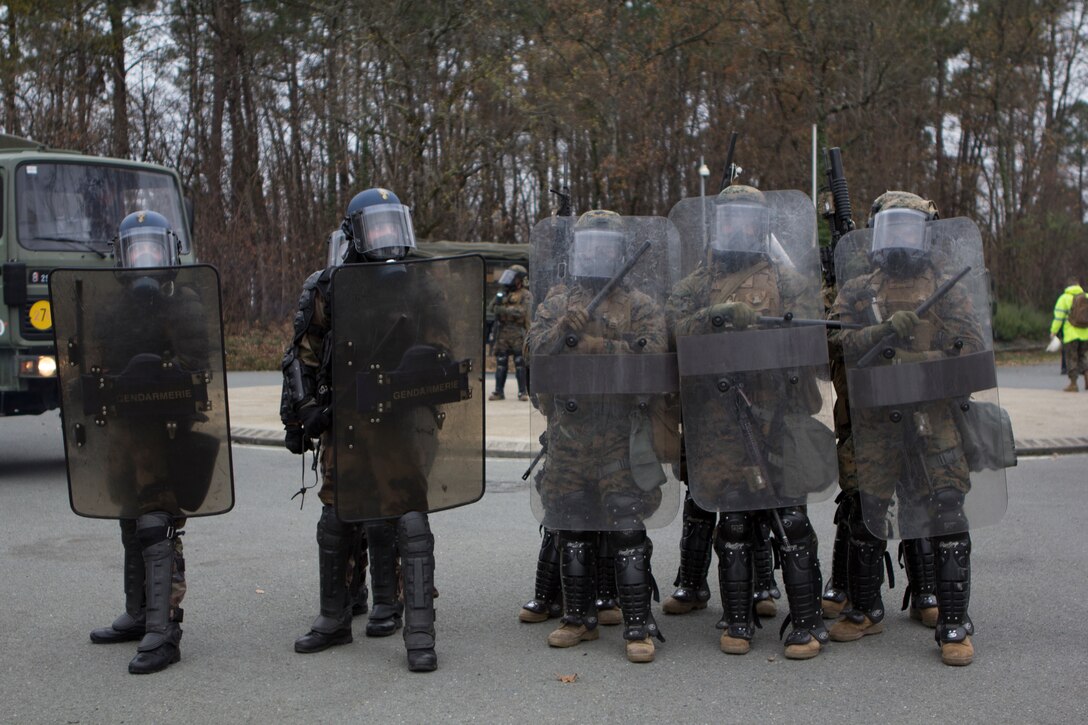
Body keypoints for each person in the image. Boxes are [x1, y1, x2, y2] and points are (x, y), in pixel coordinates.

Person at [281, 187, 462, 672]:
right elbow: (301, 355)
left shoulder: (421, 284)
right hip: (346, 419)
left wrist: (423, 365)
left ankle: (418, 632)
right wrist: (303, 412)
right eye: (375, 228)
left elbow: (444, 352)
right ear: (355, 234)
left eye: (392, 225)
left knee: (407, 515)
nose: (386, 237)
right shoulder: (328, 285)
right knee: (338, 513)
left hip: (405, 416)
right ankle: (334, 618)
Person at [667, 185, 833, 660]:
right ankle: (738, 621)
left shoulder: (788, 281)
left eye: (747, 220)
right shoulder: (696, 285)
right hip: (719, 422)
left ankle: (807, 622)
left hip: (779, 416)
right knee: (734, 522)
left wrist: (767, 334)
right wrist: (713, 318)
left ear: (761, 228)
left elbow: (814, 340)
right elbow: (671, 332)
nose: (737, 228)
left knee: (792, 520)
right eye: (729, 219)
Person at [829, 190, 992, 666]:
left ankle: (953, 621)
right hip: (876, 421)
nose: (898, 238)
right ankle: (864, 609)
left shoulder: (948, 287)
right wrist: (879, 333)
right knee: (868, 511)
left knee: (947, 510)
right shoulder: (859, 289)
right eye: (890, 228)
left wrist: (916, 359)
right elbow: (833, 340)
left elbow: (971, 348)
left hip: (933, 419)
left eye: (908, 228)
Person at [526, 209, 675, 663]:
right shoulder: (556, 304)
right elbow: (533, 354)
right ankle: (577, 619)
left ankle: (637, 625)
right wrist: (561, 331)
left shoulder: (641, 306)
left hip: (620, 435)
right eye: (589, 247)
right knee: (572, 525)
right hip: (569, 435)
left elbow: (653, 359)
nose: (597, 256)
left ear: (620, 253)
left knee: (627, 529)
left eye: (606, 248)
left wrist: (593, 344)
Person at [81, 210, 220, 674]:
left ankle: (165, 629)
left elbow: (197, 368)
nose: (144, 258)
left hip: (167, 427)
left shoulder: (185, 304)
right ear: (122, 258)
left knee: (157, 520)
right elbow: (94, 364)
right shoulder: (110, 309)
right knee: (128, 512)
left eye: (151, 249)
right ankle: (139, 612)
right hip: (124, 427)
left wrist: (160, 375)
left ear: (169, 254)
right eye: (135, 249)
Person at [489, 265, 532, 401]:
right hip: (503, 332)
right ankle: (498, 392)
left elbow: (522, 311)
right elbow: (491, 307)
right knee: (501, 362)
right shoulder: (503, 292)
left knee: (520, 362)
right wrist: (501, 304)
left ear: (520, 279)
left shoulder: (525, 294)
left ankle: (523, 392)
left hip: (518, 332)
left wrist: (502, 309)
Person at [1049, 276, 1088, 391]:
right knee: (1083, 356)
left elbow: (1059, 318)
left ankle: (1073, 384)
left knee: (1072, 358)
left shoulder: (1064, 298)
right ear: (1078, 285)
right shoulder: (1086, 297)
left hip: (1071, 335)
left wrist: (1053, 331)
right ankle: (1087, 374)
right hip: (1085, 334)